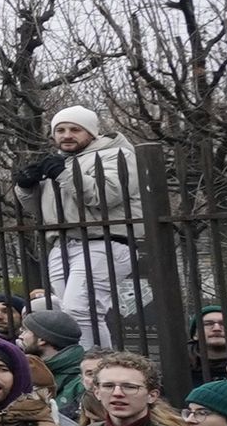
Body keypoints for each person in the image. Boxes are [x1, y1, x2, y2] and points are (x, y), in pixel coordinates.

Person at [17, 104, 144, 348]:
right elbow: (40, 210)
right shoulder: (58, 161)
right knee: (71, 314)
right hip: (63, 243)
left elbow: (105, 196)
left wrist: (65, 174)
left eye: (75, 129)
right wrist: (25, 186)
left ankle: (94, 369)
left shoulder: (116, 154)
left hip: (104, 241)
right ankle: (92, 368)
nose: (66, 135)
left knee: (80, 310)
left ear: (92, 133)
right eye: (60, 130)